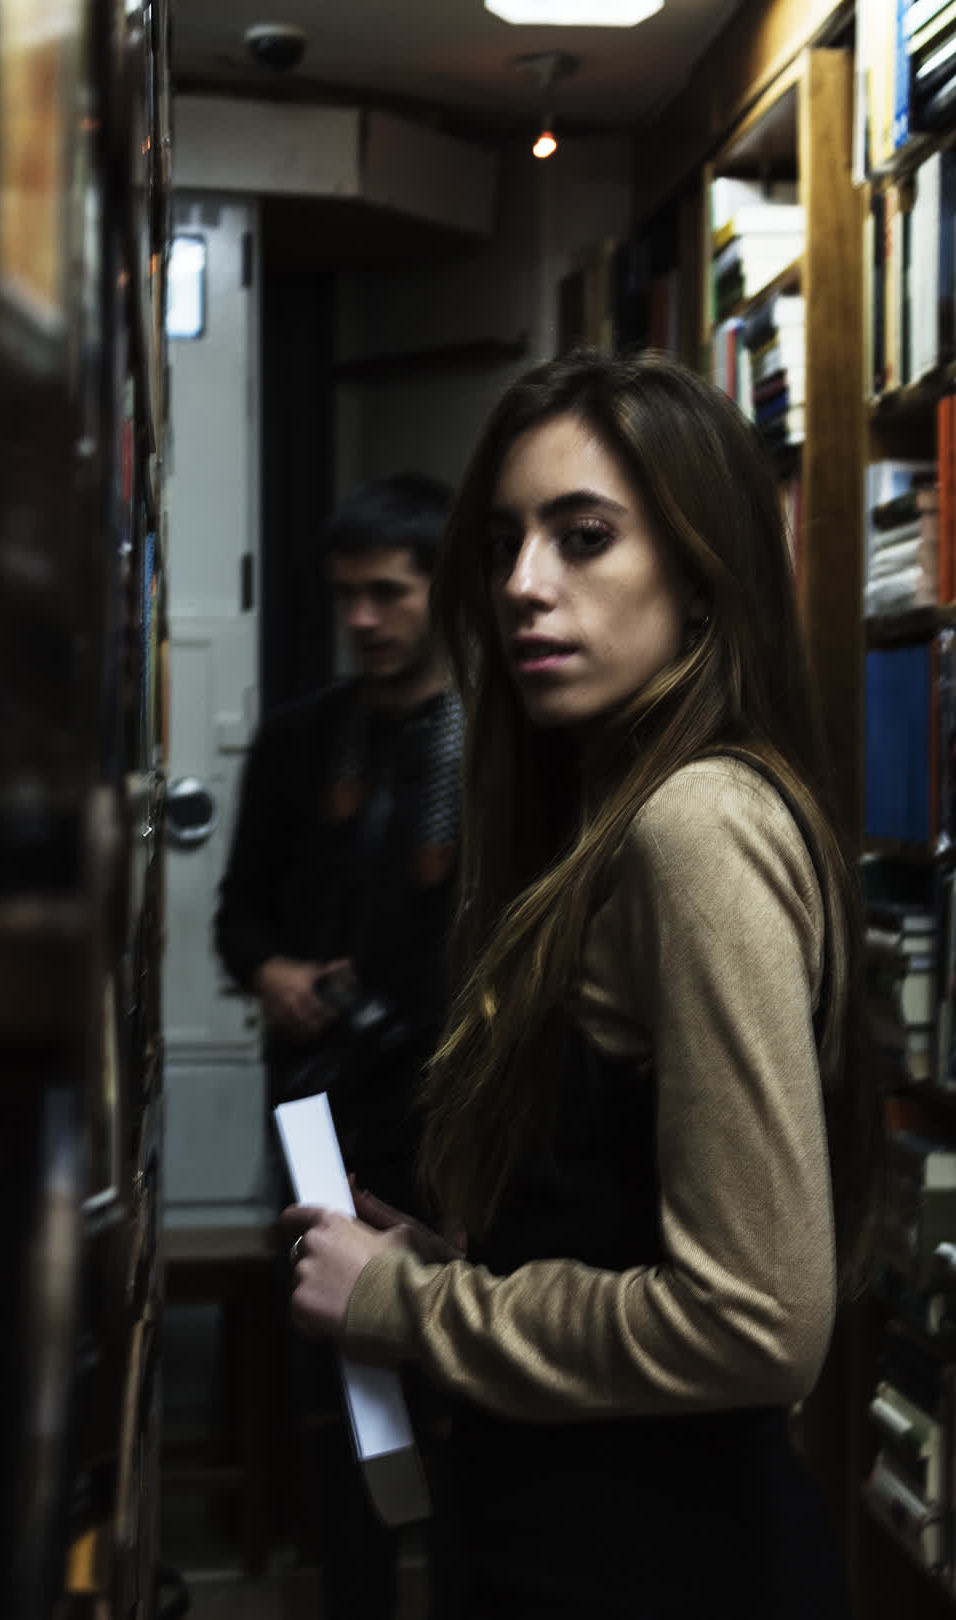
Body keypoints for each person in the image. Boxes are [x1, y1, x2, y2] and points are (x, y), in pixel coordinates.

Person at [280, 349, 882, 1619]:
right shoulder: (618, 811)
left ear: (704, 566)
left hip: (658, 1565)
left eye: (585, 537)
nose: (521, 586)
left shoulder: (698, 824)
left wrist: (417, 1304)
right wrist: (472, 1263)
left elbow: (757, 1321)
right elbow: (640, 1222)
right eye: (503, 542)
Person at [214, 471, 461, 1620]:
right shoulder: (303, 740)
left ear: (442, 589)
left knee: (467, 1397)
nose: (362, 618)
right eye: (346, 597)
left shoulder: (504, 746)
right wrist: (273, 975)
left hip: (459, 1115)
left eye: (388, 594)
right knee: (342, 1403)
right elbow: (240, 913)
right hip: (322, 1116)